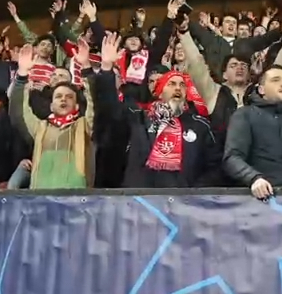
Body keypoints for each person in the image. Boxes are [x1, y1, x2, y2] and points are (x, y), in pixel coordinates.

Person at [94, 33, 222, 188]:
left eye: (182, 85)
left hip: (183, 204)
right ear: (159, 92)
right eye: (171, 84)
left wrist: (194, 192)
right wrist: (107, 69)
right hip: (140, 202)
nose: (177, 88)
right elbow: (109, 110)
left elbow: (215, 166)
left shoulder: (200, 125)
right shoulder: (138, 118)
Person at [9, 39, 96, 189]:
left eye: (69, 97)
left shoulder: (84, 125)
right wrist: (22, 74)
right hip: (40, 200)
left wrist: (87, 68)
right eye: (58, 96)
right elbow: (18, 113)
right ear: (51, 105)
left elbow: (95, 100)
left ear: (76, 105)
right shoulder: (40, 127)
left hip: (75, 200)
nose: (63, 99)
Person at [223, 65, 282, 198]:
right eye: (276, 80)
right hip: (259, 202)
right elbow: (232, 158)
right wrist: (254, 178)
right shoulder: (244, 115)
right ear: (261, 89)